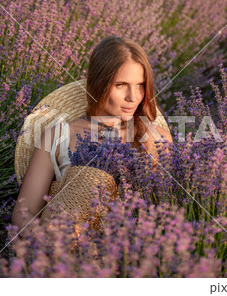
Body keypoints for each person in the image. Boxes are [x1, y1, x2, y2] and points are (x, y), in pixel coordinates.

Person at [11, 36, 173, 231]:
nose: (133, 97)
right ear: (99, 84)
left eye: (140, 85)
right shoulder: (58, 136)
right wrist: (53, 244)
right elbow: (23, 214)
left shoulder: (158, 139)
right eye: (120, 85)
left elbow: (166, 213)